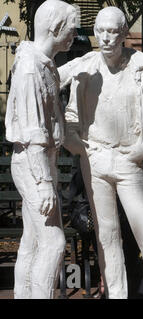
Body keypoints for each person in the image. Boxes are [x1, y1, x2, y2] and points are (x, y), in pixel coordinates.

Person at [58, 7, 143, 299]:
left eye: (113, 31)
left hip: (129, 159)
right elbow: (70, 112)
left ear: (124, 33)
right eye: (101, 31)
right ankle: (116, 295)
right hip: (95, 158)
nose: (106, 38)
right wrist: (77, 145)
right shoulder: (84, 67)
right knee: (106, 237)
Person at [5, 0, 77, 299]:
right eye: (71, 28)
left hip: (41, 162)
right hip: (34, 166)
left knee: (33, 241)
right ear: (55, 27)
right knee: (54, 242)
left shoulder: (44, 65)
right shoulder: (31, 69)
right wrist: (45, 182)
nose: (75, 34)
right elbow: (33, 130)